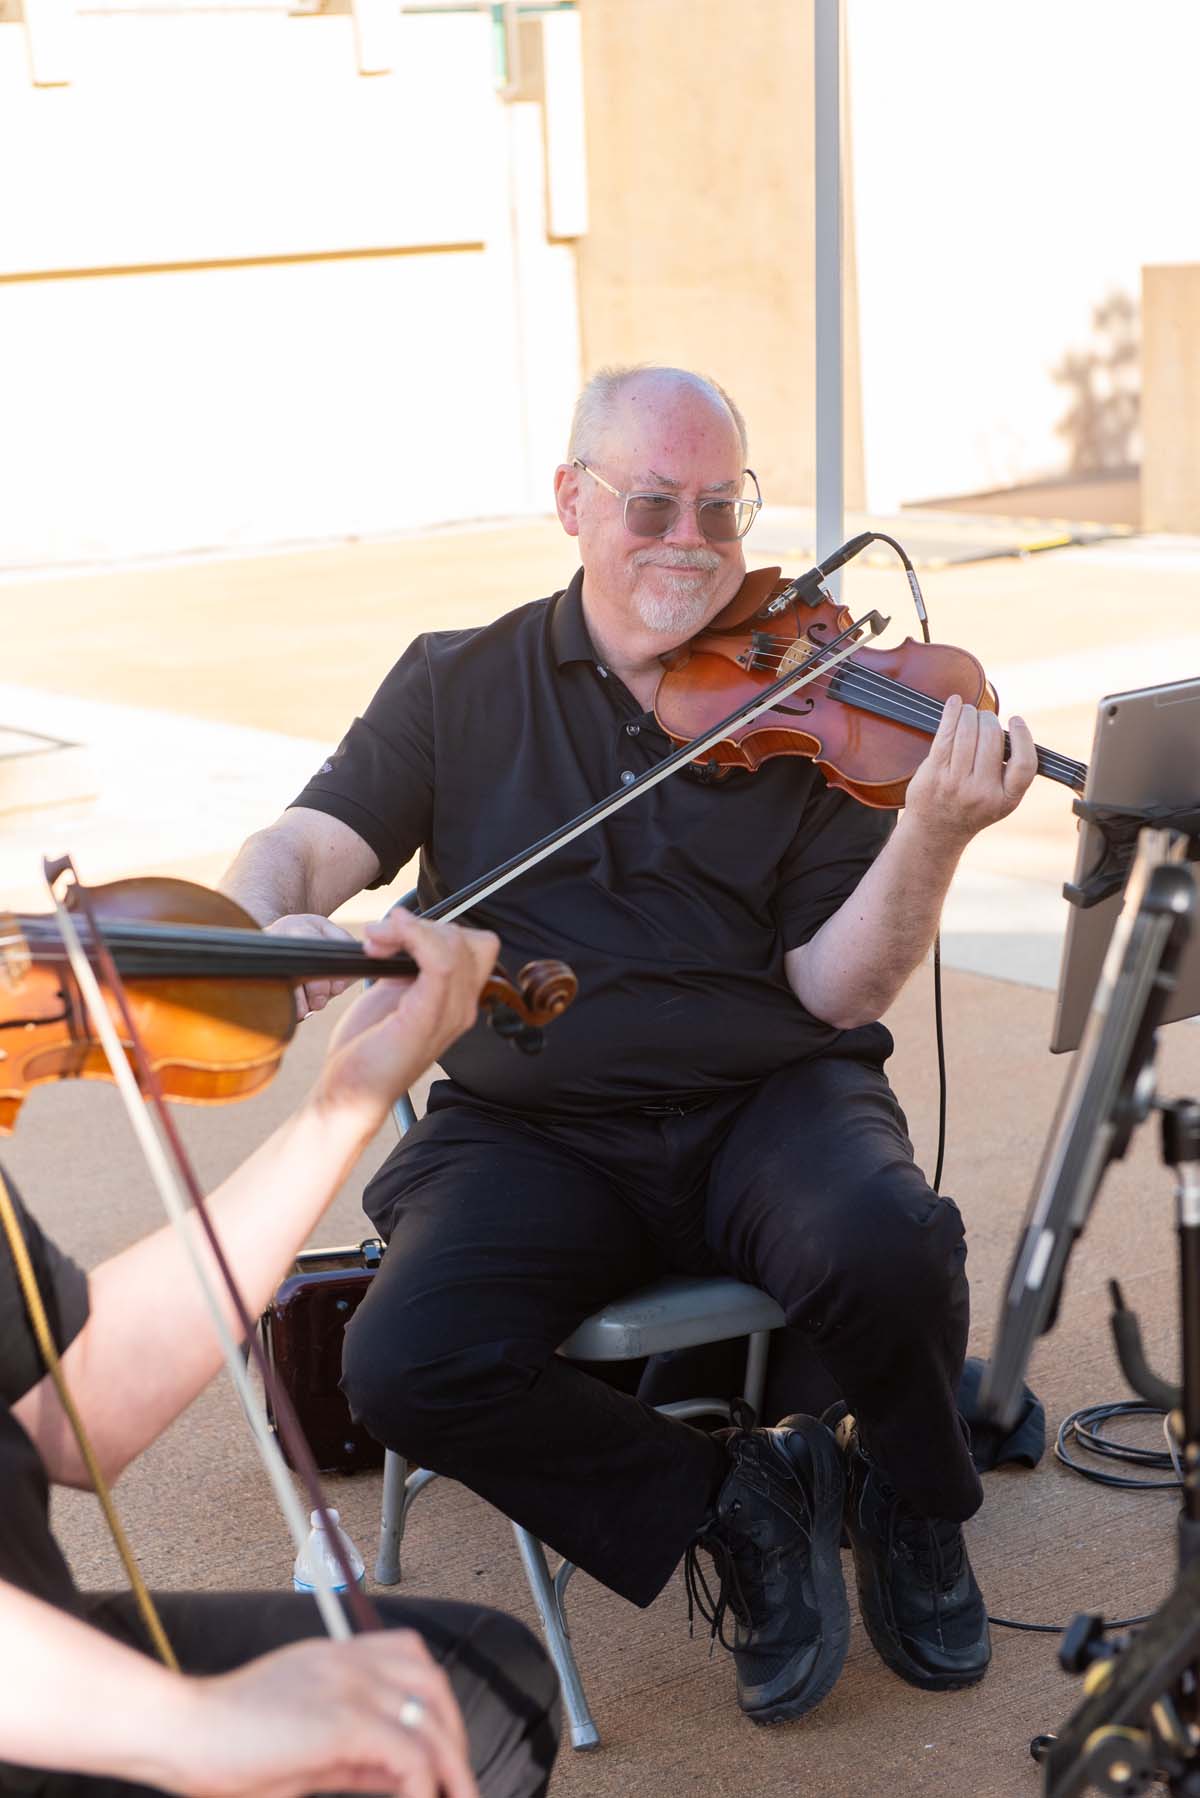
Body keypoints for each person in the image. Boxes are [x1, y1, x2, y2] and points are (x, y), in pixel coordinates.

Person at [219, 365, 1038, 1726]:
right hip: (529, 1128)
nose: (693, 541)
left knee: (889, 1237)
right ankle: (736, 1508)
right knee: (404, 1357)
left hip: (765, 1096)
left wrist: (933, 838)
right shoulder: (454, 683)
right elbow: (309, 841)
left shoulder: (819, 690)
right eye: (653, 502)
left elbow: (835, 988)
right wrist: (265, 921)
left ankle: (908, 1494)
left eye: (722, 507)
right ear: (572, 502)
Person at [0, 908, 560, 1797]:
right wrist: (193, 1725)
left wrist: (347, 1099)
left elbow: (72, 1408)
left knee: (475, 1689)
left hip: (39, 1656)